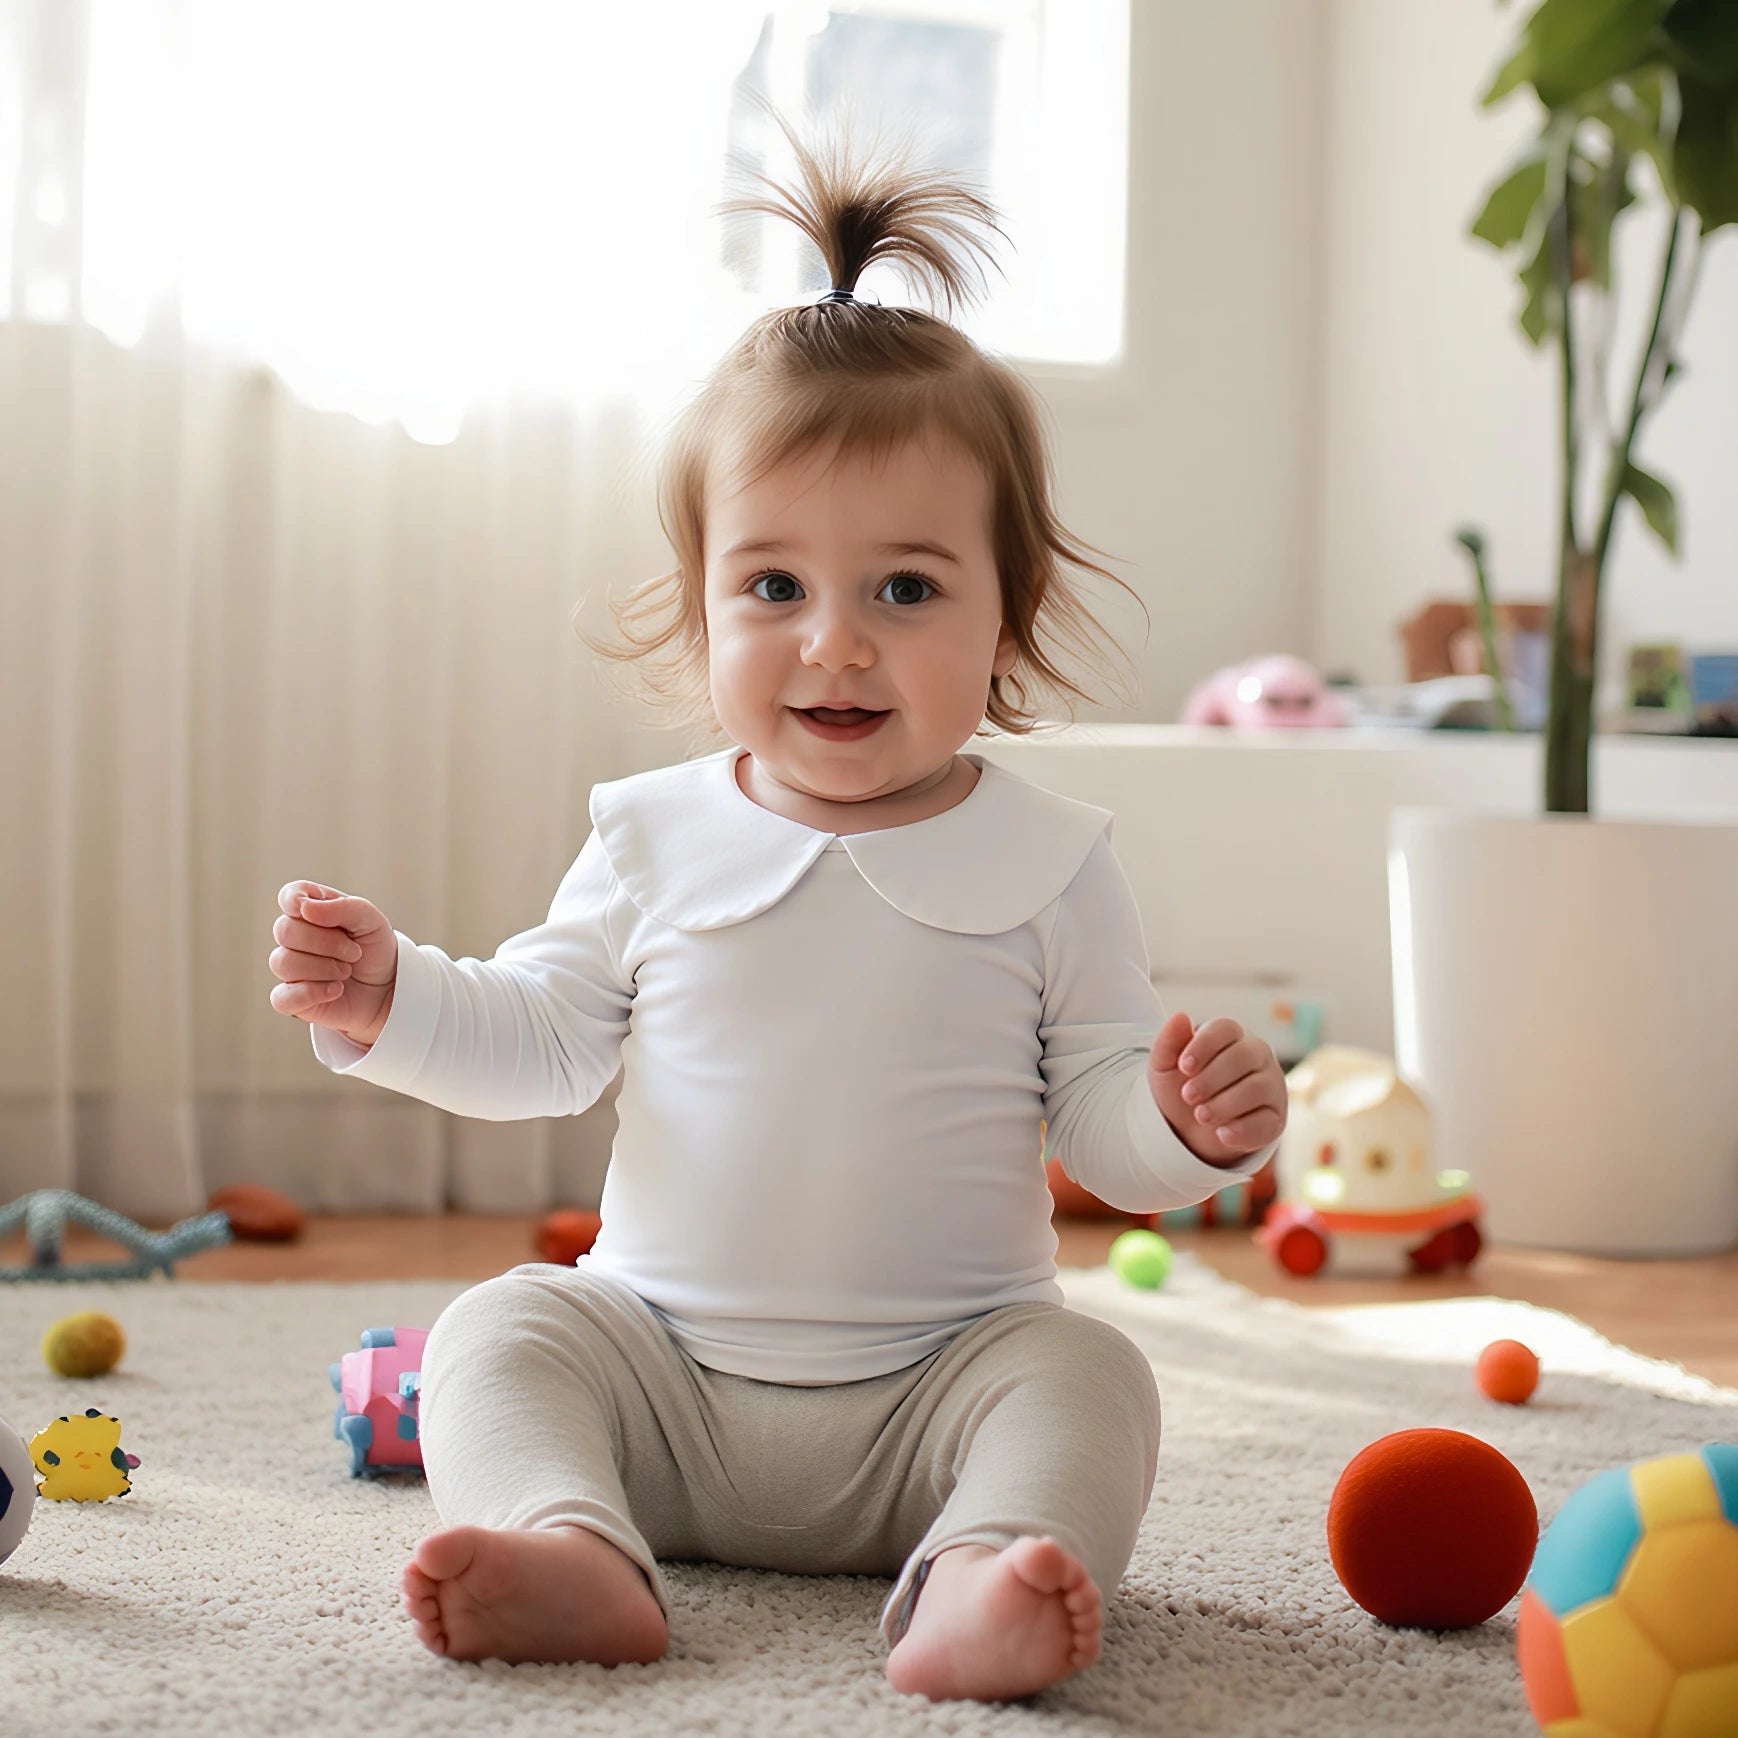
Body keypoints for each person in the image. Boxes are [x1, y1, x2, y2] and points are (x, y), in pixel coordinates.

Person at [267, 112, 1288, 1704]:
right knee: (501, 1329)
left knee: (1089, 1370)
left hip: (935, 1404)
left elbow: (1101, 1127)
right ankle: (575, 1546)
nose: (834, 645)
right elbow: (540, 1042)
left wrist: (1191, 1130)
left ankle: (979, 1577)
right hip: (659, 1383)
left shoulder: (1052, 854)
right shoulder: (653, 837)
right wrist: (391, 996)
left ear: (1003, 608)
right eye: (773, 588)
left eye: (903, 587)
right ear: (701, 601)